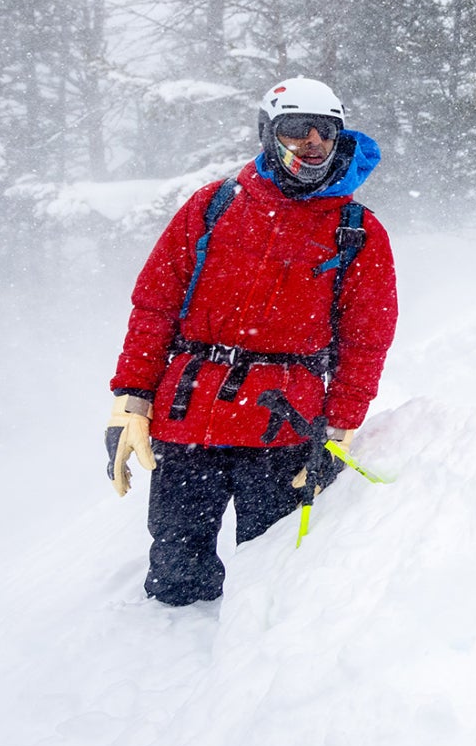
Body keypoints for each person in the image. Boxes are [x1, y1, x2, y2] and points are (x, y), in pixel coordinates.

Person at [105, 76, 399, 605]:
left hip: (282, 424)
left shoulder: (356, 231)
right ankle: (170, 654)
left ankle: (249, 660)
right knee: (176, 568)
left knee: (272, 569)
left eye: (325, 133)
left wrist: (340, 426)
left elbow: (366, 339)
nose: (312, 143)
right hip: (189, 415)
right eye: (296, 130)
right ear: (267, 132)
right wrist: (131, 400)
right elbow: (155, 306)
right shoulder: (213, 206)